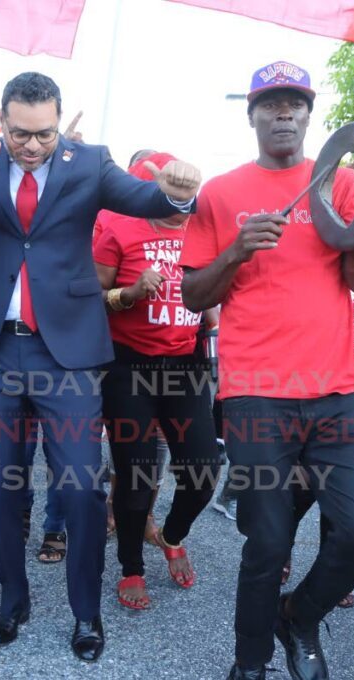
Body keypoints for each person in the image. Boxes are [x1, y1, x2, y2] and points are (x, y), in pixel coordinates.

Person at [0, 71, 201, 661]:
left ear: (59, 121)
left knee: (79, 488)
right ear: (2, 121)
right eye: (21, 134)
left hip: (67, 356)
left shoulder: (90, 162)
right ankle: (13, 600)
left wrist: (176, 192)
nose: (32, 146)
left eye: (44, 134)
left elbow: (144, 198)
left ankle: (85, 613)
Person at [180, 61, 354, 680]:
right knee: (268, 545)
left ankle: (299, 616)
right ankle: (249, 663)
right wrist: (236, 249)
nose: (283, 112)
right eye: (271, 103)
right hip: (256, 394)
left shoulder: (337, 184)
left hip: (337, 393)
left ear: (310, 115)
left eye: (295, 103)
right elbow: (194, 297)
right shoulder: (222, 193)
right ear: (251, 114)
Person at [94, 151, 222, 610]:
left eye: (184, 191)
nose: (177, 199)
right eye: (166, 189)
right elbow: (94, 296)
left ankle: (172, 534)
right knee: (137, 476)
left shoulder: (203, 230)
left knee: (205, 467)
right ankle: (131, 567)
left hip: (184, 365)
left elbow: (213, 299)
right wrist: (128, 294)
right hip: (128, 366)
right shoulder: (119, 226)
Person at [289, 277, 354, 608]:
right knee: (299, 488)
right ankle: (281, 549)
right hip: (306, 395)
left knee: (346, 496)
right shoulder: (309, 267)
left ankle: (332, 573)